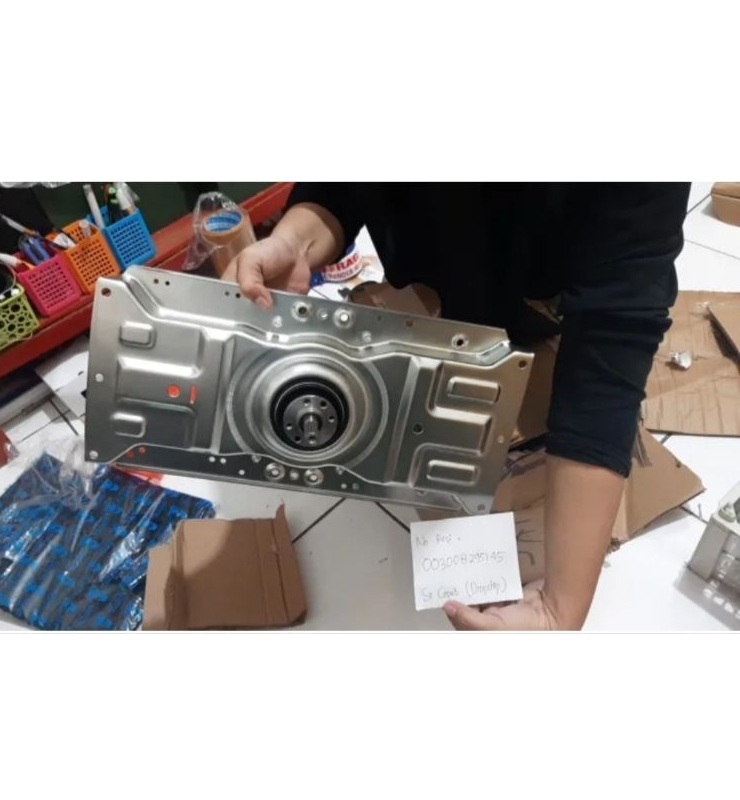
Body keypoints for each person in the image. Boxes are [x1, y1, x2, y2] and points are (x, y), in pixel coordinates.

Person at [223, 183, 690, 631]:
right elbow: (343, 188)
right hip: (428, 306)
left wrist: (560, 607)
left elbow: (612, 331)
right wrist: (295, 241)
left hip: (542, 304)